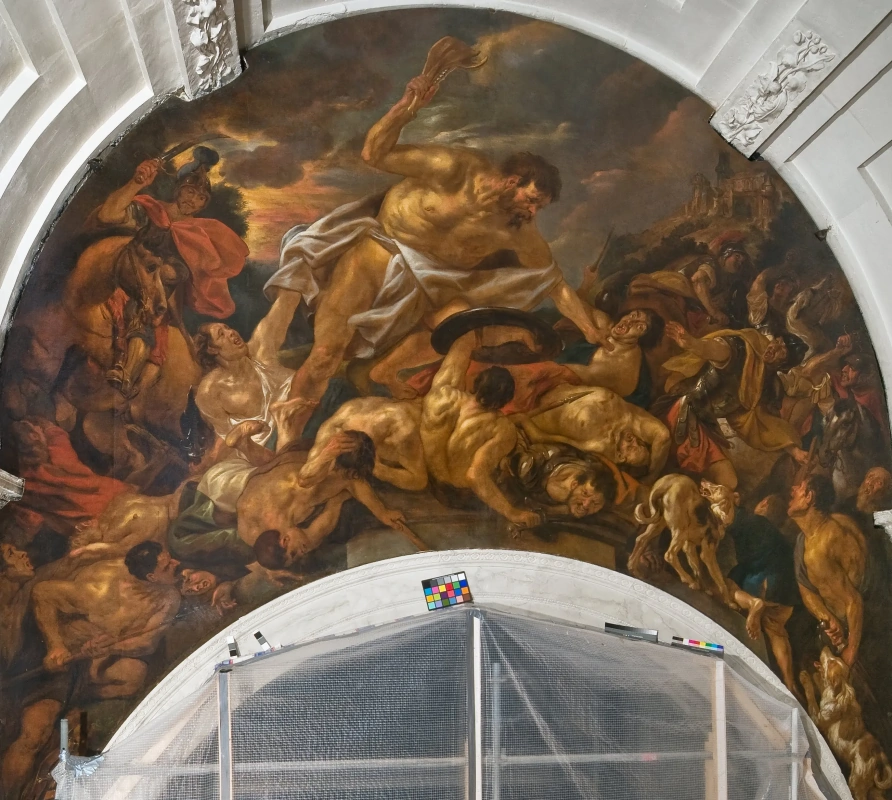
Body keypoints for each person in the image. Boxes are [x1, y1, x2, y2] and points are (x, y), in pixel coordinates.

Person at [264, 44, 605, 439]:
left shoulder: (517, 231)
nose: (532, 213)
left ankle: (378, 376)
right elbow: (375, 153)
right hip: (377, 256)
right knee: (324, 356)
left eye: (538, 208)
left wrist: (591, 330)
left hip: (424, 292)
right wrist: (405, 109)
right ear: (513, 181)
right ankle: (285, 440)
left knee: (458, 329)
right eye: (531, 201)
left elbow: (554, 283)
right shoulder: (455, 169)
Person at [93, 147, 249, 395]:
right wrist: (136, 184)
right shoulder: (152, 212)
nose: (193, 200)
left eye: (201, 198)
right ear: (178, 190)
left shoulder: (198, 236)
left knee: (144, 318)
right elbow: (108, 214)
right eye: (190, 191)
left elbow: (179, 279)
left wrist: (165, 278)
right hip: (121, 281)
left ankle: (126, 376)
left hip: (152, 298)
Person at [662, 321, 805, 489]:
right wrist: (693, 343)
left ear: (784, 365)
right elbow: (717, 350)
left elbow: (765, 424)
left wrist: (795, 451)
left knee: (729, 482)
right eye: (777, 341)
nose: (774, 347)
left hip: (708, 425)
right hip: (685, 408)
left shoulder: (770, 388)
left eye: (782, 351)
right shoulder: (745, 348)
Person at [421, 332, 539, 527]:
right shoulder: (502, 429)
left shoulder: (442, 396)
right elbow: (475, 475)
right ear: (505, 401)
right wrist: (512, 513)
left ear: (477, 383)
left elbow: (462, 345)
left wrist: (485, 333)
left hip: (433, 484)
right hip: (462, 496)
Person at [32, 541, 184, 681]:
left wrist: (109, 648)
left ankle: (86, 690)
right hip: (68, 645)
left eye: (171, 559)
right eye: (167, 567)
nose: (177, 563)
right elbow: (43, 592)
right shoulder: (101, 589)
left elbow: (147, 642)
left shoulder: (169, 597)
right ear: (151, 577)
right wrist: (56, 645)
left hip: (102, 653)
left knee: (134, 674)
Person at [701, 481, 800, 694]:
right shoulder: (777, 536)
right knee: (777, 631)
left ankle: (753, 602)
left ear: (764, 504)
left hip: (762, 582)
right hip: (785, 591)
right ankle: (790, 683)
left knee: (727, 584)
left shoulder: (751, 521)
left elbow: (728, 519)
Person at [518, 385, 671, 484]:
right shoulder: (632, 420)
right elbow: (663, 436)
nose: (634, 440)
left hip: (533, 407)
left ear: (620, 457)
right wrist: (653, 475)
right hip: (557, 383)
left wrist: (523, 419)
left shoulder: (599, 446)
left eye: (631, 447)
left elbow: (542, 438)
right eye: (640, 443)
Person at [788, 475, 866, 666]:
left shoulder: (822, 547)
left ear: (809, 497)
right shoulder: (803, 540)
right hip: (837, 621)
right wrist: (827, 617)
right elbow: (806, 590)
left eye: (800, 487)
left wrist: (851, 651)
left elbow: (854, 600)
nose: (793, 489)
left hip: (863, 624)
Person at [9, 417, 131, 538]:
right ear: (33, 436)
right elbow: (59, 439)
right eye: (37, 428)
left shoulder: (26, 482)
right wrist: (50, 429)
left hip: (85, 526)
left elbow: (34, 519)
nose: (39, 428)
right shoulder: (57, 457)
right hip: (109, 501)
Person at [306, 397, 427, 491]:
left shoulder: (401, 429)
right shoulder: (339, 423)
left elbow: (419, 481)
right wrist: (323, 457)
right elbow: (304, 480)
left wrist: (378, 469)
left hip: (424, 420)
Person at [558, 308, 664, 405]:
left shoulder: (625, 362)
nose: (630, 322)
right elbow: (574, 304)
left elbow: (573, 376)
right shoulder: (608, 326)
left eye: (639, 327)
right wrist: (587, 326)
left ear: (642, 338)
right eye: (633, 315)